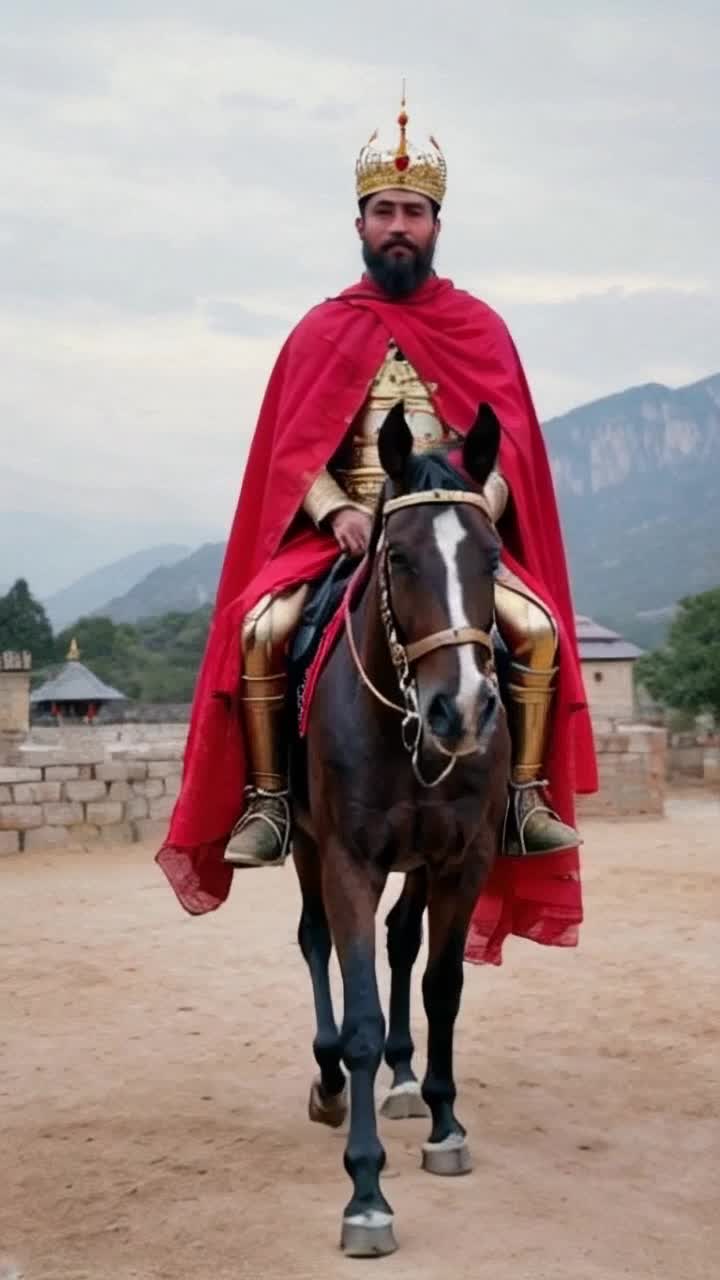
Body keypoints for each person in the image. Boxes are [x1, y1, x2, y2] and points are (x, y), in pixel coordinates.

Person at [157, 96, 597, 961]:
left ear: (438, 224)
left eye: (415, 213)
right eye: (385, 212)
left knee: (536, 628)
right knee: (262, 627)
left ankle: (524, 797)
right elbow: (292, 455)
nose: (400, 226)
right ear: (359, 222)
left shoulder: (481, 330)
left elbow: (504, 452)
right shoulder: (323, 329)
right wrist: (338, 511)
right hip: (348, 533)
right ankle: (273, 800)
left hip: (453, 537)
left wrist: (473, 514)